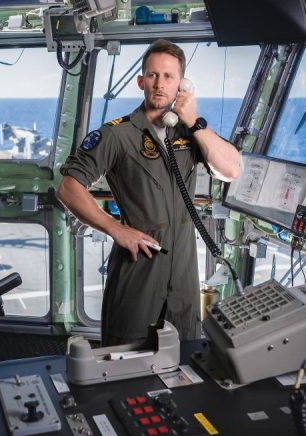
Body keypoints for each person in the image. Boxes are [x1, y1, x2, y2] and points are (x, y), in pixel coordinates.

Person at [57, 39, 241, 345]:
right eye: (153, 75)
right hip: (137, 273)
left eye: (169, 77)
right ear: (141, 81)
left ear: (181, 85)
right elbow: (68, 187)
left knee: (184, 366)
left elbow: (231, 169)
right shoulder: (117, 134)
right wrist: (115, 229)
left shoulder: (190, 132)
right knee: (125, 366)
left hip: (182, 279)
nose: (160, 84)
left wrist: (194, 122)